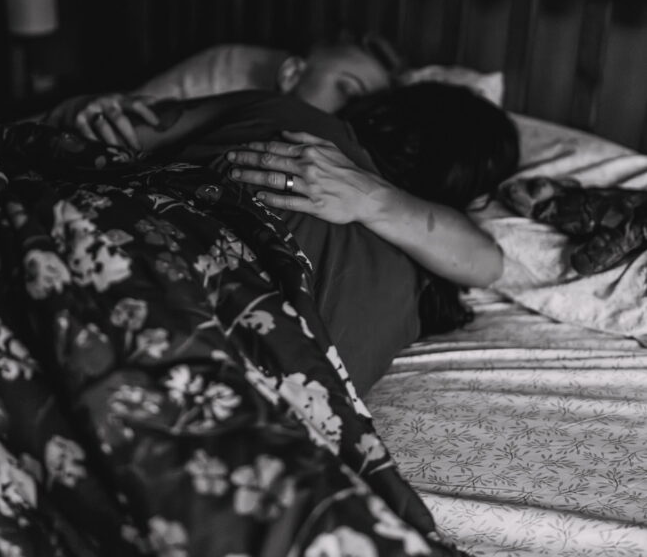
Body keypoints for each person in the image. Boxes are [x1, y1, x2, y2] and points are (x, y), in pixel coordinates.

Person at [47, 80, 519, 393]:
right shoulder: (413, 294)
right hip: (227, 422)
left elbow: (100, 128)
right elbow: (490, 263)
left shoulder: (290, 116)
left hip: (104, 295)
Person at [56, 34, 402, 151]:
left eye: (370, 106)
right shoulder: (222, 90)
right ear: (292, 72)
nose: (356, 110)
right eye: (348, 90)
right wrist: (87, 112)